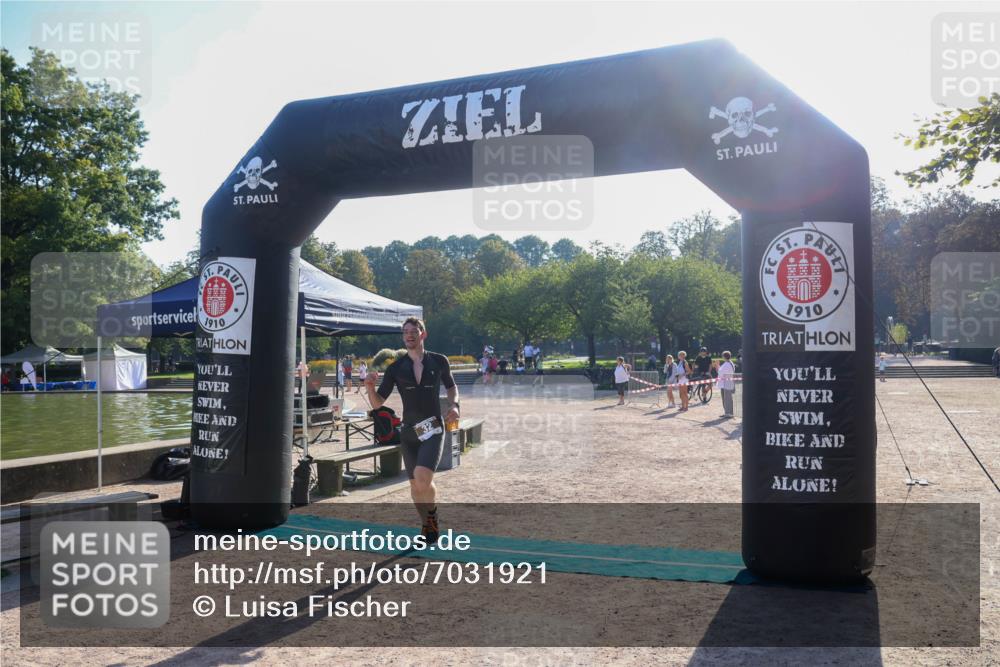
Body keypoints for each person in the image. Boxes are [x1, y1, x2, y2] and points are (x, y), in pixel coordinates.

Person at [365, 317, 459, 544]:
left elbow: (451, 386)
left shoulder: (439, 361)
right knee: (415, 485)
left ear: (422, 334)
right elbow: (378, 403)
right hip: (408, 432)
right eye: (405, 332)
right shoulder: (396, 368)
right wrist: (369, 386)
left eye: (413, 331)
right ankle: (428, 524)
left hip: (433, 427)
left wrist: (454, 405)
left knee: (422, 478)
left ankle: (432, 514)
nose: (409, 335)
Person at [718, 351, 736, 418]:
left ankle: (728, 413)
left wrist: (717, 366)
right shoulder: (730, 363)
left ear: (724, 356)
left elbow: (720, 373)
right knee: (728, 398)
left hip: (726, 383)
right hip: (728, 382)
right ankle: (728, 412)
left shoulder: (726, 364)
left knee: (726, 398)